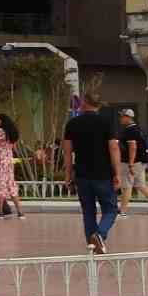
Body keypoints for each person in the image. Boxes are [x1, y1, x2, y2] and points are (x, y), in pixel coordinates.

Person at [63, 93, 121, 255]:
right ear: (98, 105)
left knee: (88, 211)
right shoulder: (106, 122)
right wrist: (117, 173)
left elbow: (67, 152)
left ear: (84, 103)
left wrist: (68, 175)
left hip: (82, 174)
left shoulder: (72, 123)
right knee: (110, 209)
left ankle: (92, 244)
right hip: (103, 173)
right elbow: (114, 148)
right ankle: (100, 235)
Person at [116, 108, 148, 218]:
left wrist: (131, 164)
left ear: (128, 117)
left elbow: (133, 147)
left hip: (132, 162)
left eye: (122, 116)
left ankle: (122, 211)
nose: (120, 118)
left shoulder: (130, 130)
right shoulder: (136, 128)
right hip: (140, 161)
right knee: (140, 185)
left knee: (127, 185)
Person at [0, 113, 26, 219]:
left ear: (3, 122)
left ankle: (0, 211)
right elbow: (14, 147)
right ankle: (20, 212)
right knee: (10, 185)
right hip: (8, 161)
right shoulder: (12, 133)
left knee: (0, 185)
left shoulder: (0, 131)